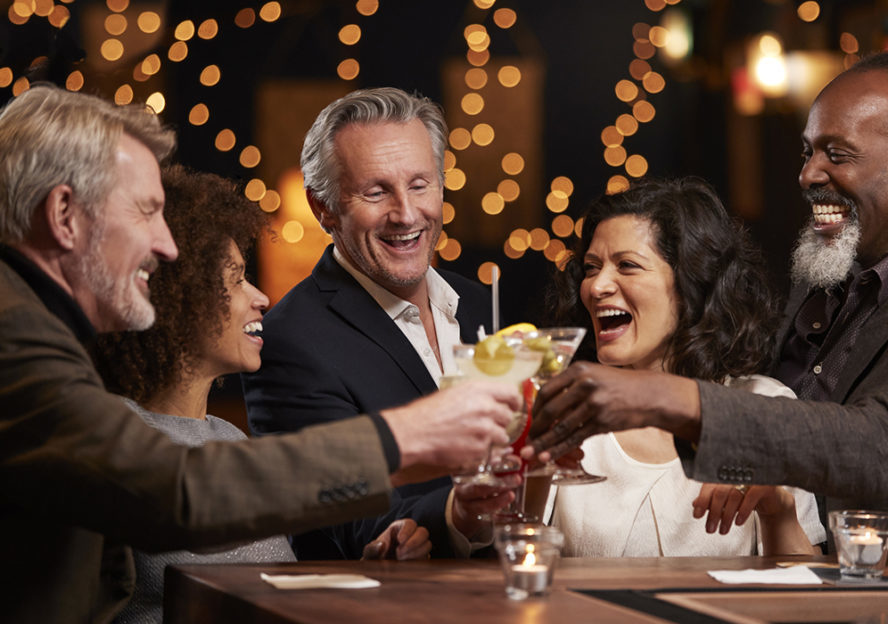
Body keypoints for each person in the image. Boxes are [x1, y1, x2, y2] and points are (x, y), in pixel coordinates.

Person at [0, 84, 519, 622]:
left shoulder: (35, 326)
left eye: (420, 184)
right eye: (145, 211)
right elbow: (177, 490)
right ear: (64, 214)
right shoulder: (13, 334)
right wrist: (403, 438)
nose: (167, 244)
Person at [528, 51, 888, 555]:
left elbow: (877, 447)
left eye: (838, 154)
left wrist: (660, 395)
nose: (809, 175)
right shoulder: (819, 283)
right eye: (808, 153)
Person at [91, 165, 432, 623]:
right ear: (175, 297)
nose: (261, 298)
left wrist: (368, 571)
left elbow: (263, 597)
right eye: (234, 279)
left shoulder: (229, 438)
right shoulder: (117, 437)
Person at [242, 87, 512, 559]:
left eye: (420, 185)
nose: (406, 214)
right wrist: (456, 514)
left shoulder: (476, 303)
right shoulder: (291, 340)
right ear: (323, 208)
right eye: (376, 191)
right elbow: (351, 521)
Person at [540, 177, 823, 557]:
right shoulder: (562, 409)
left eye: (627, 265)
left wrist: (778, 512)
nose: (596, 287)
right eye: (591, 268)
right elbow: (513, 559)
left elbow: (807, 599)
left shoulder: (766, 406)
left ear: (692, 284)